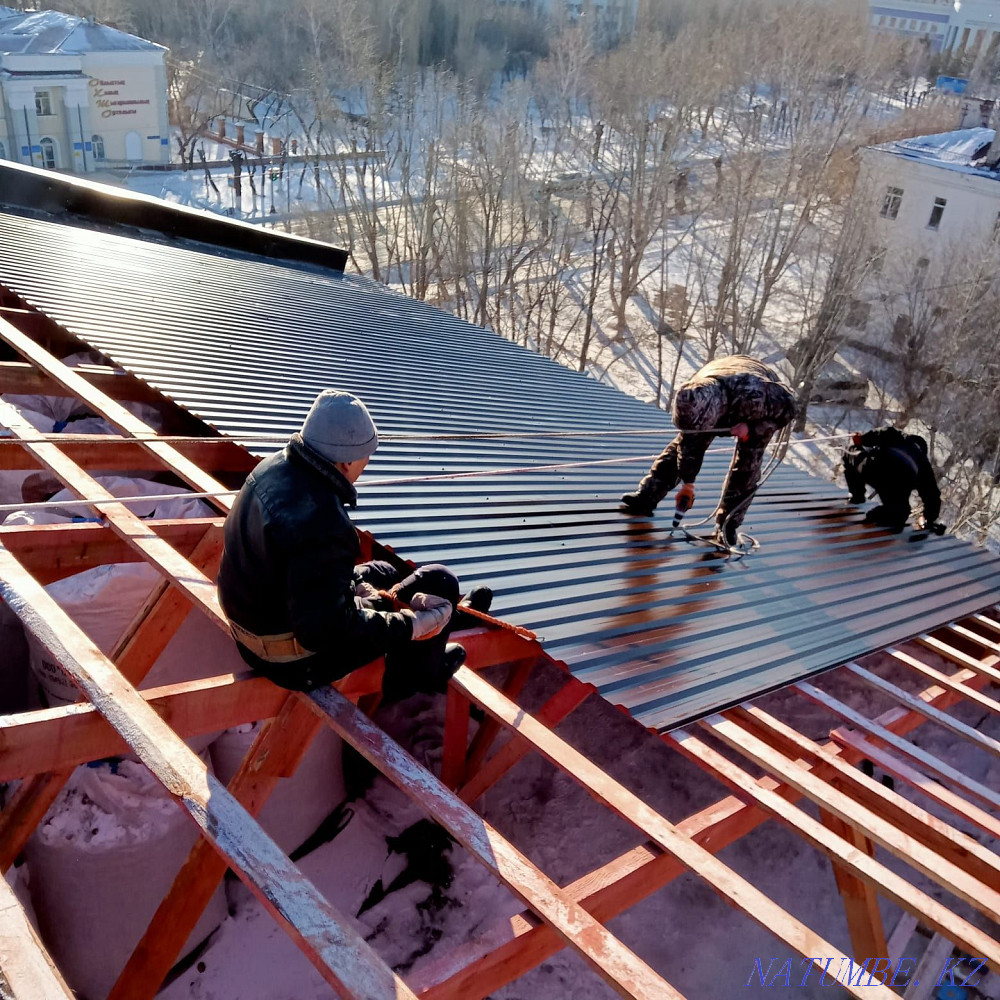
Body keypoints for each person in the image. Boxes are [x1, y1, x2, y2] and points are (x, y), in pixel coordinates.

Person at [218, 389, 489, 697]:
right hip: (292, 661)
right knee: (440, 581)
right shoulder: (321, 522)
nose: (367, 464)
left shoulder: (270, 468)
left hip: (257, 625)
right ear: (346, 461)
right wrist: (409, 625)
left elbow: (296, 564)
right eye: (366, 456)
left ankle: (439, 628)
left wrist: (352, 586)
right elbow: (326, 632)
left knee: (385, 572)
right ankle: (419, 673)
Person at [621, 355, 796, 546]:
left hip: (758, 411)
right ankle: (648, 495)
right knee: (682, 447)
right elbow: (688, 448)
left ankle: (727, 525)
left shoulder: (753, 394)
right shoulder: (692, 395)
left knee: (747, 465)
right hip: (723, 381)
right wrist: (688, 484)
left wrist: (751, 429)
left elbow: (790, 406)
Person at [843, 426, 944, 534]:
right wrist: (929, 519)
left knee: (851, 452)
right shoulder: (923, 464)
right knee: (898, 511)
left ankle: (857, 497)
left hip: (878, 470)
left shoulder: (899, 437)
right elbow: (933, 496)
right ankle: (889, 514)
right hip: (899, 484)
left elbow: (879, 434)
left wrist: (861, 440)